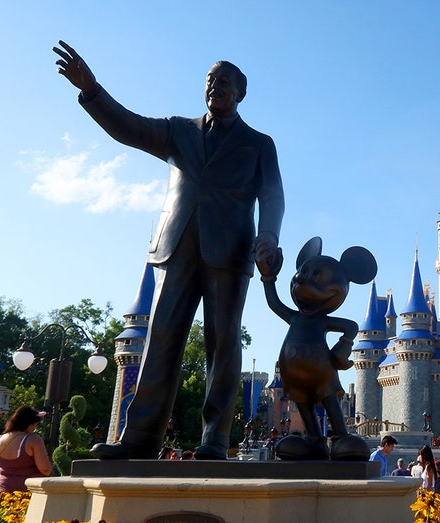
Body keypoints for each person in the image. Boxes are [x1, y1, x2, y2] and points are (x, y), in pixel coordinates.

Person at [54, 41, 285, 461]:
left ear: (241, 93)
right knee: (160, 339)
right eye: (211, 80)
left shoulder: (259, 143)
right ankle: (140, 437)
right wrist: (91, 91)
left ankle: (215, 438)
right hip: (176, 246)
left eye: (226, 82)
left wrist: (267, 238)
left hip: (231, 253)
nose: (217, 86)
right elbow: (129, 127)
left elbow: (272, 196)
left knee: (224, 343)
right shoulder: (179, 130)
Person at [0, 406, 53, 492]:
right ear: (29, 424)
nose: (35, 427)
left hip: (4, 492)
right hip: (28, 492)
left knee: (2, 506)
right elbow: (45, 469)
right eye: (35, 424)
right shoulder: (33, 439)